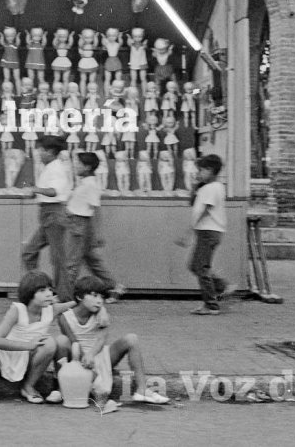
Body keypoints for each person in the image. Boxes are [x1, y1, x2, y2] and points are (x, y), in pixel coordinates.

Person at [52, 276, 170, 410]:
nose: (99, 301)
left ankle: (142, 390)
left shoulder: (101, 315)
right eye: (94, 296)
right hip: (77, 358)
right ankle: (61, 388)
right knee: (61, 341)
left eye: (101, 297)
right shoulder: (65, 318)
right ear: (79, 297)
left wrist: (92, 354)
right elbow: (73, 342)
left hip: (99, 355)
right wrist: (86, 358)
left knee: (131, 339)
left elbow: (101, 340)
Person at [0, 271, 74, 405]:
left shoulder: (51, 310)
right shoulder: (17, 310)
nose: (49, 294)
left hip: (26, 362)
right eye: (42, 290)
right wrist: (28, 346)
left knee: (50, 343)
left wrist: (100, 310)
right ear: (30, 293)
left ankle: (28, 386)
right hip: (1, 360)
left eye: (50, 289)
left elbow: (78, 303)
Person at [20, 135, 77, 300]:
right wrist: (35, 192)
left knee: (58, 259)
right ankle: (40, 289)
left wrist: (35, 189)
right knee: (29, 253)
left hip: (54, 215)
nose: (39, 153)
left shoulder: (56, 168)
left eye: (41, 150)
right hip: (47, 215)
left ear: (50, 152)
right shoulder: (50, 167)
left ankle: (64, 297)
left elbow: (54, 191)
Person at [67, 152, 127, 302]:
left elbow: (96, 209)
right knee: (92, 260)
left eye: (78, 164)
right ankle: (115, 286)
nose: (75, 166)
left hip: (80, 225)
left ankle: (65, 295)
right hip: (78, 224)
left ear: (87, 167)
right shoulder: (85, 183)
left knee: (72, 262)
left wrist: (98, 234)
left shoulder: (91, 185)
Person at [174, 154, 229, 315]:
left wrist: (188, 232)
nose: (199, 173)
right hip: (207, 231)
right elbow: (193, 203)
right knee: (196, 266)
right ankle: (219, 287)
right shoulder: (207, 187)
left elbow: (205, 211)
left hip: (208, 231)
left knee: (201, 267)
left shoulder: (213, 188)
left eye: (202, 170)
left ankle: (211, 305)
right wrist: (195, 186)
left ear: (211, 170)